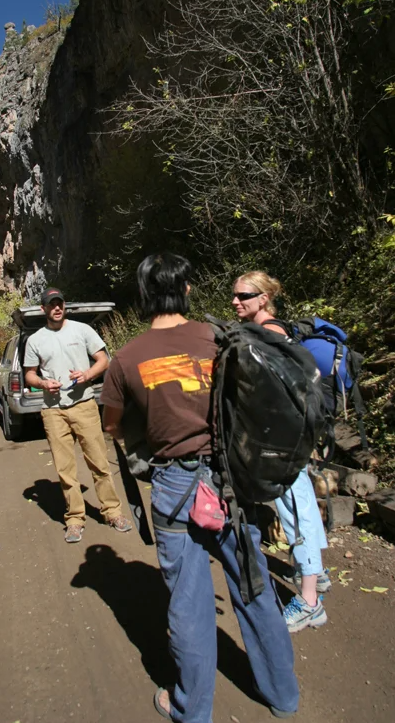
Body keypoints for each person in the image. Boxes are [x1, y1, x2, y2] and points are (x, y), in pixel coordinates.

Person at [102, 253, 299, 723]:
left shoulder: (125, 359)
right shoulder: (222, 338)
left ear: (145, 295)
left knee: (187, 604)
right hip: (230, 483)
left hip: (173, 486)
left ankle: (192, 710)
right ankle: (283, 696)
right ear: (188, 290)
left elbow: (114, 428)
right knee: (253, 587)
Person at [232, 270, 330, 633]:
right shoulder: (277, 330)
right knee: (300, 503)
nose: (235, 301)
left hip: (281, 444)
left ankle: (309, 604)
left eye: (243, 295)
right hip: (292, 439)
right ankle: (317, 577)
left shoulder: (268, 336)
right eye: (235, 295)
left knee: (295, 509)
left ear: (263, 299)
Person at [23, 287, 132, 543]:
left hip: (84, 405)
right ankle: (74, 519)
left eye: (60, 303)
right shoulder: (35, 340)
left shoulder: (82, 330)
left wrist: (87, 375)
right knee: (65, 469)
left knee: (99, 463)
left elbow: (103, 359)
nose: (57, 308)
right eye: (52, 304)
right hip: (53, 411)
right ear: (44, 309)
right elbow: (29, 374)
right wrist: (42, 383)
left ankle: (112, 512)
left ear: (64, 306)